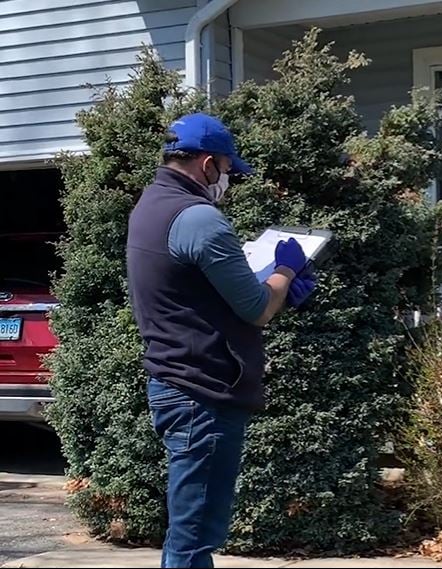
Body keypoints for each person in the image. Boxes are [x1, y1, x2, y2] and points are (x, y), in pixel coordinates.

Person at [126, 113, 316, 568]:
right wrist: (286, 271)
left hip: (175, 382)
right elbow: (256, 307)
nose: (228, 181)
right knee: (194, 538)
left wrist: (275, 286)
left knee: (189, 531)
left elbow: (196, 291)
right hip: (202, 394)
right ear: (209, 164)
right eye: (229, 171)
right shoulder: (200, 220)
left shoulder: (150, 205)